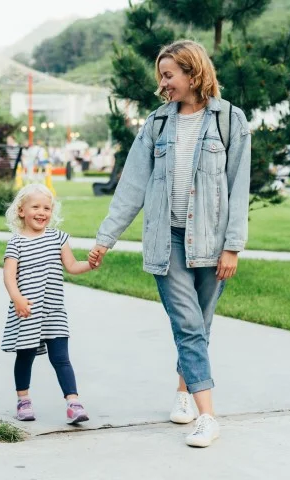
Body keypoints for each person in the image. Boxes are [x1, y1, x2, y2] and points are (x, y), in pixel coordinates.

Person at [88, 40, 251, 448]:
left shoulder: (230, 121)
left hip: (213, 242)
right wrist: (104, 240)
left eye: (168, 74)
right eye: (161, 76)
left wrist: (233, 246)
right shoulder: (157, 125)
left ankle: (184, 392)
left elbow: (239, 187)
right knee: (188, 324)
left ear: (193, 73)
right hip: (168, 241)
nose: (163, 84)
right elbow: (132, 188)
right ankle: (208, 417)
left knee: (200, 325)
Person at [2, 183, 94, 424]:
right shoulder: (16, 243)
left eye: (47, 208)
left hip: (53, 311)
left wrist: (91, 264)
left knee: (61, 358)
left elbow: (72, 266)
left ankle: (73, 403)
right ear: (21, 211)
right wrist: (18, 299)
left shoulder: (57, 238)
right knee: (25, 356)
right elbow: (9, 276)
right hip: (28, 311)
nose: (42, 212)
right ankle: (23, 400)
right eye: (35, 207)